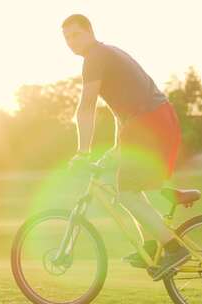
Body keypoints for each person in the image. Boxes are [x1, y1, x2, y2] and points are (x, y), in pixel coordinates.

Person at [62, 14, 188, 281]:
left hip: (150, 123)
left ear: (89, 32)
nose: (71, 42)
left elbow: (86, 108)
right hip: (151, 121)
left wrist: (83, 153)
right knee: (126, 186)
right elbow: (125, 112)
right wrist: (118, 149)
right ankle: (151, 244)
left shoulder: (94, 58)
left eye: (75, 35)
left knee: (127, 192)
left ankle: (174, 249)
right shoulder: (109, 52)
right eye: (66, 38)